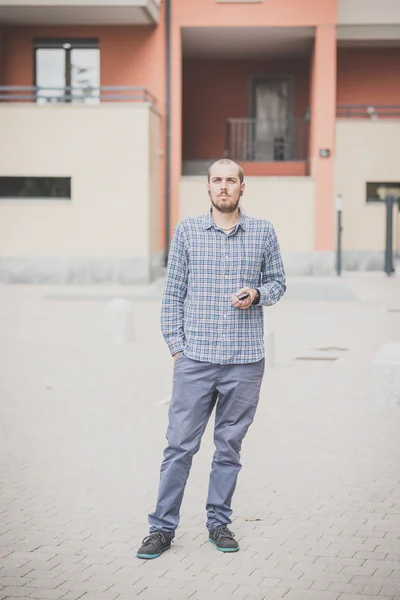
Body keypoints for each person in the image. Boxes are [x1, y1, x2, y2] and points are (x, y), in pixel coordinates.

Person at [137, 158, 286, 559]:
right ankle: (161, 528)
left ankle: (219, 524)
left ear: (242, 187)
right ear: (207, 187)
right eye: (217, 180)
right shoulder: (187, 231)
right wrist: (176, 347)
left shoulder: (263, 232)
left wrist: (257, 294)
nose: (224, 187)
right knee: (179, 447)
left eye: (230, 181)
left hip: (245, 360)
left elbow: (278, 282)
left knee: (228, 448)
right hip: (196, 359)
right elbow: (172, 294)